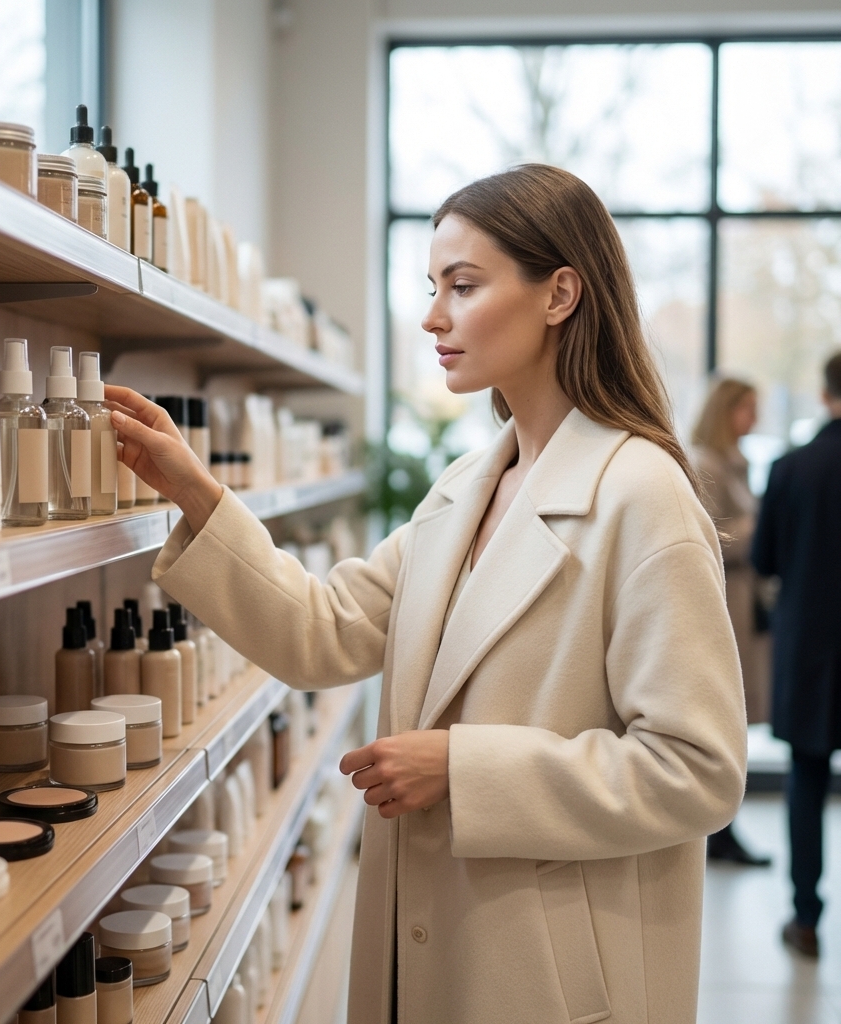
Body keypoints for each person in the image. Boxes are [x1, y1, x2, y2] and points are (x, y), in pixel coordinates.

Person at [108, 165, 747, 1024]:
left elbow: (697, 771)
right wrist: (195, 492)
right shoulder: (463, 489)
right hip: (433, 943)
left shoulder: (643, 495)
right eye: (432, 286)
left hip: (545, 976)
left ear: (560, 294)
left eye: (464, 285)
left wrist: (463, 766)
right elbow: (321, 631)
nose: (432, 315)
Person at [752, 351, 841, 959]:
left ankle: (805, 917)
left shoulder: (792, 467)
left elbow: (765, 559)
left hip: (811, 645)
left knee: (806, 779)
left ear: (824, 390)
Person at [692, 378, 772, 866]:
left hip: (746, 598)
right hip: (725, 598)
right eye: (747, 407)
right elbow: (706, 536)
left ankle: (724, 828)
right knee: (724, 706)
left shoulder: (736, 463)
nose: (755, 418)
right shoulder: (705, 463)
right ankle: (717, 827)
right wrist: (758, 528)